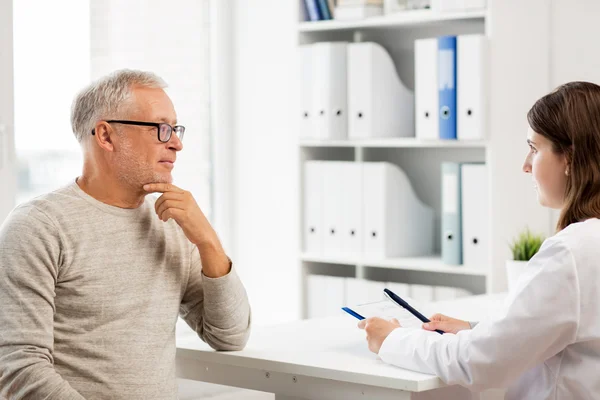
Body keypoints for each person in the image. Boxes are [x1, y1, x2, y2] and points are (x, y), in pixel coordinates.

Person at [0, 70, 251, 400]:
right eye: (161, 129)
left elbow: (229, 336)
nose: (176, 143)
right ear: (105, 136)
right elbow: (20, 370)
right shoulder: (39, 226)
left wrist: (208, 241)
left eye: (175, 129)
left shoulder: (172, 224)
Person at [359, 81, 600, 399]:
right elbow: (572, 334)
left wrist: (391, 339)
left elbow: (481, 363)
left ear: (569, 157)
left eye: (534, 148)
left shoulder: (572, 254)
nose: (525, 165)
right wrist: (478, 331)